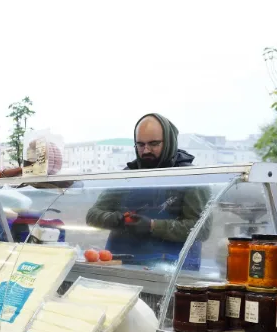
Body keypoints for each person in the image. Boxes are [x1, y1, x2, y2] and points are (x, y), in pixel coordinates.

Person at [86, 114, 208, 266]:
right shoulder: (127, 176)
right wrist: (118, 219)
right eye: (140, 145)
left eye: (154, 144)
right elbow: (92, 215)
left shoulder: (190, 178)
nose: (145, 151)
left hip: (171, 270)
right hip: (120, 265)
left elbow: (201, 229)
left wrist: (152, 226)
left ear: (169, 141)